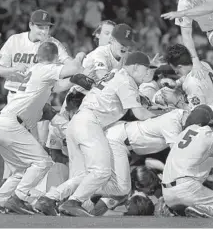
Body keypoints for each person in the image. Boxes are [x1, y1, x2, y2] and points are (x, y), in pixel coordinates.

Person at [0, 42, 84, 215]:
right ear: (55, 58)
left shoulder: (34, 71)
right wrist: (80, 54)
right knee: (43, 162)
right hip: (12, 124)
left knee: (22, 169)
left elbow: (58, 86)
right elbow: (74, 67)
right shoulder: (45, 68)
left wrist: (72, 80)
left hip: (1, 123)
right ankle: (18, 198)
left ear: (37, 56)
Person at [56, 51, 160, 217]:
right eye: (146, 69)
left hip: (80, 122)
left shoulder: (117, 73)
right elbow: (140, 114)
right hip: (90, 123)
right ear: (135, 67)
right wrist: (164, 117)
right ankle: (71, 202)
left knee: (91, 178)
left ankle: (51, 198)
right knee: (101, 173)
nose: (149, 73)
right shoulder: (126, 80)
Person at [0, 9, 72, 185]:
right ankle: (11, 186)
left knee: (40, 145)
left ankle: (30, 190)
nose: (44, 31)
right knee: (14, 144)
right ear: (30, 25)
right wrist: (14, 69)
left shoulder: (53, 44)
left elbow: (69, 63)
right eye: (39, 27)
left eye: (47, 27)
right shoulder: (15, 40)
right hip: (16, 98)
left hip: (41, 100)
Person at [162, 109, 213, 218]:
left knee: (198, 190)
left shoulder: (185, 132)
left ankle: (172, 209)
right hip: (187, 189)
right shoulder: (212, 137)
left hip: (167, 193)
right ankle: (201, 209)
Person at [155, 44, 213, 109]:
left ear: (180, 66)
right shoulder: (203, 64)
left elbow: (197, 112)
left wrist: (176, 101)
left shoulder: (191, 83)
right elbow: (188, 77)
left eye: (175, 69)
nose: (175, 72)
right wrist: (177, 83)